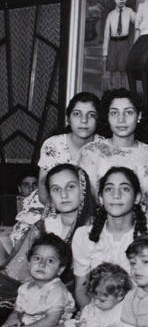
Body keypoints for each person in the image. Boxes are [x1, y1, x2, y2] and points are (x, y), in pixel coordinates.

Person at [0, 164, 93, 324]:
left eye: (70, 186)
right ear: (49, 195)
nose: (64, 195)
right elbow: (17, 271)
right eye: (56, 189)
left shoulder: (97, 230)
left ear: (83, 189)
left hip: (78, 303)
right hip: (35, 295)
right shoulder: (42, 227)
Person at [10, 92, 100, 247]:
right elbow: (44, 191)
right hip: (51, 205)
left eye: (91, 115)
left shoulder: (103, 148)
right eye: (77, 114)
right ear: (68, 118)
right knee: (27, 239)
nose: (84, 121)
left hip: (90, 209)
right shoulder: (53, 144)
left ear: (98, 120)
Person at [79, 88, 148, 236]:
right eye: (114, 113)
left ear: (139, 116)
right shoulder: (91, 152)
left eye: (128, 112)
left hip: (140, 233)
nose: (121, 120)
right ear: (107, 116)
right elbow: (82, 206)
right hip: (97, 233)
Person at [71, 167, 147, 309]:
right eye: (109, 189)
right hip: (97, 315)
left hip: (140, 317)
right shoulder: (84, 236)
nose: (116, 195)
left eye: (124, 189)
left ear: (137, 197)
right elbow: (81, 289)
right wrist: (96, 319)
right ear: (100, 198)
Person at [0, 233, 75, 327]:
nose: (42, 264)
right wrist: (9, 323)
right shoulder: (25, 288)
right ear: (28, 263)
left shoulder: (57, 290)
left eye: (50, 261)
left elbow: (51, 321)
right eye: (37, 258)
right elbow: (17, 311)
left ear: (60, 270)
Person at [102, 0, 136, 90]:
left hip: (124, 43)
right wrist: (105, 53)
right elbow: (106, 34)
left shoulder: (129, 12)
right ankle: (112, 90)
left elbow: (139, 21)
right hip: (113, 43)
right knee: (112, 69)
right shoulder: (111, 15)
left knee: (123, 69)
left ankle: (122, 90)